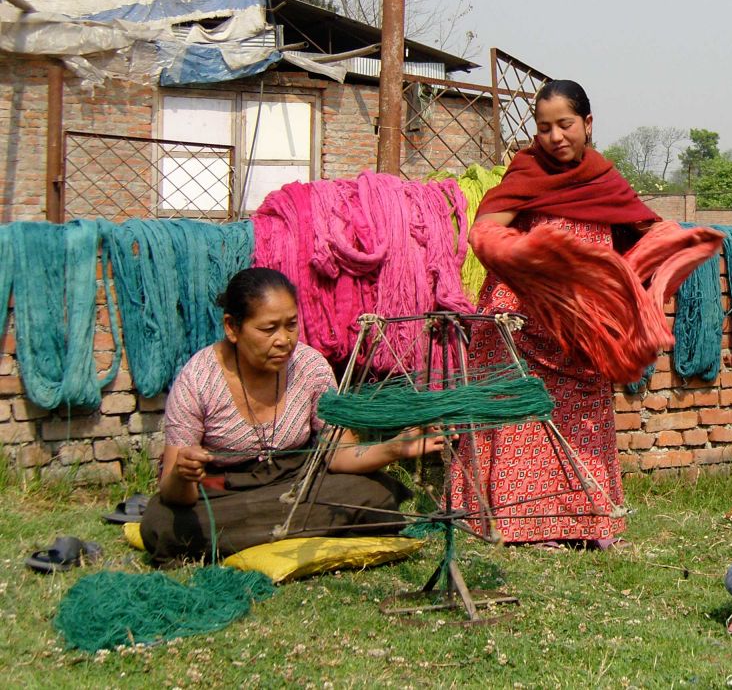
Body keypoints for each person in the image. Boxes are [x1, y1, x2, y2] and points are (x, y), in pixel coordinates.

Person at [450, 79, 660, 548]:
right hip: (520, 324)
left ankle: (586, 520)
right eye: (544, 128)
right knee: (520, 421)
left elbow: (647, 234)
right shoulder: (525, 172)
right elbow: (485, 231)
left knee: (581, 421)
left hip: (583, 327)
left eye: (565, 125)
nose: (555, 137)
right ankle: (518, 523)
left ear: (587, 123)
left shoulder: (606, 179)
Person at [140, 267, 441, 564]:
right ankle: (303, 529)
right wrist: (182, 473)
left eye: (291, 325)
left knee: (376, 491)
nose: (283, 340)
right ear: (232, 327)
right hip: (227, 493)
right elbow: (174, 491)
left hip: (297, 482)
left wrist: (395, 447)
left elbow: (339, 456)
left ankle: (255, 535)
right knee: (162, 521)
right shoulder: (198, 379)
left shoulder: (311, 367)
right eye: (268, 329)